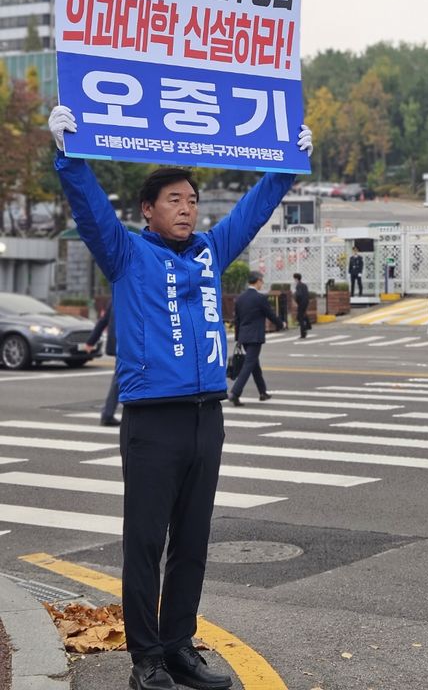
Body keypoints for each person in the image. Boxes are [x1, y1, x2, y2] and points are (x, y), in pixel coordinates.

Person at [48, 104, 312, 690]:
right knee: (145, 545)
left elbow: (253, 211)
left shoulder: (209, 252)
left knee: (192, 543)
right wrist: (69, 157)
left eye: (191, 199)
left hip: (205, 416)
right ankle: (145, 660)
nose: (187, 207)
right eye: (174, 199)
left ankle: (178, 648)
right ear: (149, 209)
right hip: (152, 422)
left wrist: (288, 165)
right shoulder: (125, 254)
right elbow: (90, 212)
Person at [228, 272, 284, 405]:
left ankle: (262, 392)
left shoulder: (240, 298)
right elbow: (270, 314)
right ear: (258, 281)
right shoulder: (260, 298)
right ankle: (235, 393)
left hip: (244, 336)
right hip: (255, 337)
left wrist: (238, 338)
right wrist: (281, 324)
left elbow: (237, 320)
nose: (262, 284)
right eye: (262, 281)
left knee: (254, 364)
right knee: (249, 365)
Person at [85, 303, 120, 425]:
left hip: (121, 345)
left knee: (120, 379)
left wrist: (91, 341)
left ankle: (108, 414)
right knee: (119, 379)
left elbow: (103, 320)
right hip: (126, 345)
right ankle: (107, 414)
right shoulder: (133, 295)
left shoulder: (116, 297)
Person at [292, 271, 311, 339]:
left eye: (294, 279)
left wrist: (296, 301)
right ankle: (308, 325)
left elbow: (299, 295)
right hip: (305, 302)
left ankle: (303, 332)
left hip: (301, 303)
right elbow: (307, 294)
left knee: (300, 318)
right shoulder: (304, 285)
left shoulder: (298, 286)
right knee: (303, 315)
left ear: (296, 279)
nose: (294, 280)